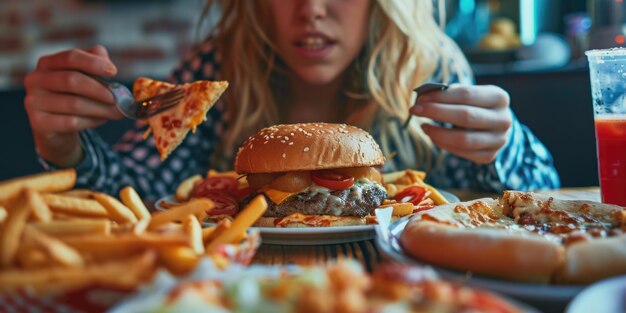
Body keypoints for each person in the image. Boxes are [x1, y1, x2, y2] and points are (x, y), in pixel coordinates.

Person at [23, 0, 559, 201]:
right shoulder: (213, 70)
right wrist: (65, 149)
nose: (311, 10)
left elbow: (542, 201)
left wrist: (504, 144)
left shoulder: (427, 70)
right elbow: (138, 195)